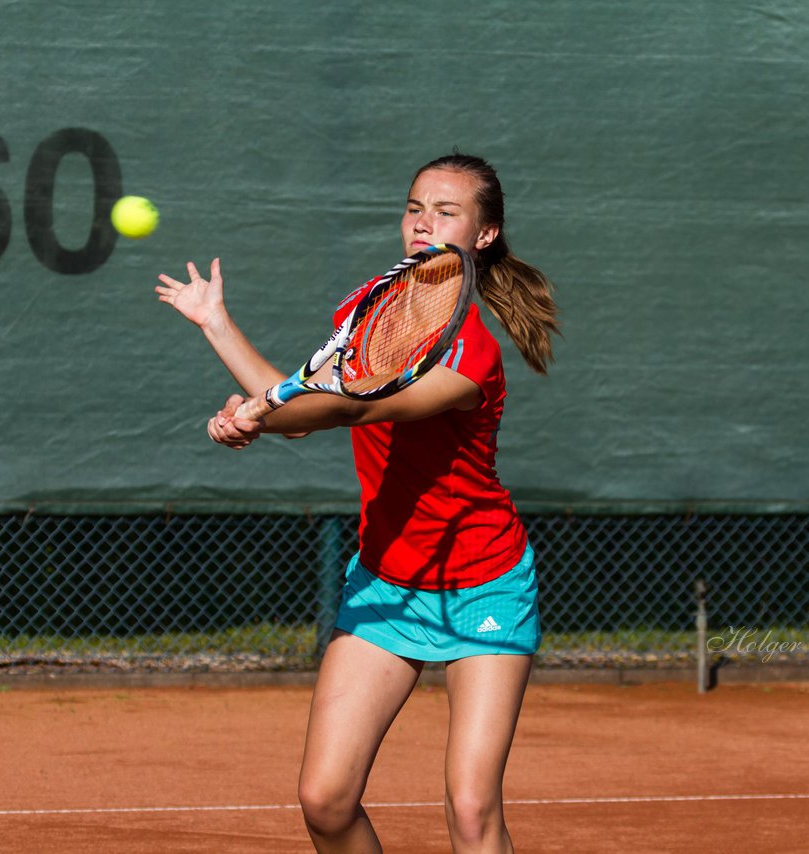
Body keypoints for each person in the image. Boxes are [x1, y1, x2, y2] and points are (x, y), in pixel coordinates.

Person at [155, 153, 559, 853]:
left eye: (446, 212)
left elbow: (351, 410)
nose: (422, 224)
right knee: (326, 799)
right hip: (386, 585)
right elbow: (307, 405)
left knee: (470, 808)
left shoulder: (472, 354)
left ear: (485, 234)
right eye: (414, 208)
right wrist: (217, 326)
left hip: (484, 582)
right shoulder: (369, 306)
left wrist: (259, 417)